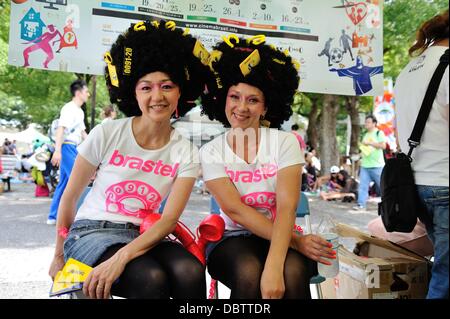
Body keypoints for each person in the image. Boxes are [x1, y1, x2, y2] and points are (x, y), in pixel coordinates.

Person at [48, 20, 210, 299]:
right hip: (90, 233)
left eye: (167, 86)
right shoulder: (107, 132)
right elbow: (69, 198)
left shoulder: (186, 151)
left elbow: (169, 220)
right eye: (146, 87)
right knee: (151, 279)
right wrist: (58, 255)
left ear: (180, 92)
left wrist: (121, 258)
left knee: (190, 271)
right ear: (133, 92)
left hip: (145, 234)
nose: (157, 96)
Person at [199, 34, 335, 299]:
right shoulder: (211, 151)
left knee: (292, 272)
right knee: (249, 272)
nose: (241, 107)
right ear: (222, 99)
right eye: (234, 97)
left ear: (266, 107)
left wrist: (275, 266)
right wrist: (297, 243)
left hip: (282, 233)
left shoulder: (285, 142)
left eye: (253, 100)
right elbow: (234, 210)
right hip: (231, 239)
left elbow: (287, 207)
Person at [393, 9, 448, 299]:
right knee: (446, 274)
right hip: (445, 183)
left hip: (418, 184)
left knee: (444, 265)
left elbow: (398, 132)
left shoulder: (408, 70)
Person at [47, 79, 90, 225]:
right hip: (66, 147)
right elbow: (61, 129)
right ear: (78, 93)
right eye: (86, 91)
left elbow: (83, 133)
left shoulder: (79, 111)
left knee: (64, 183)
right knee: (77, 181)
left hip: (73, 148)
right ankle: (74, 216)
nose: (88, 94)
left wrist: (95, 145)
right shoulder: (69, 108)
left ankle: (53, 216)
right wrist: (57, 151)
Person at [353, 115, 386, 210]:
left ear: (374, 123)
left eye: (368, 122)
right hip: (365, 165)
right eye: (366, 122)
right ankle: (361, 204)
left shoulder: (379, 133)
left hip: (377, 165)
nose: (366, 124)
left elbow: (383, 146)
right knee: (362, 186)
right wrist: (359, 156)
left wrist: (370, 143)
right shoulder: (366, 135)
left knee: (383, 186)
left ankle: (389, 205)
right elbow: (365, 149)